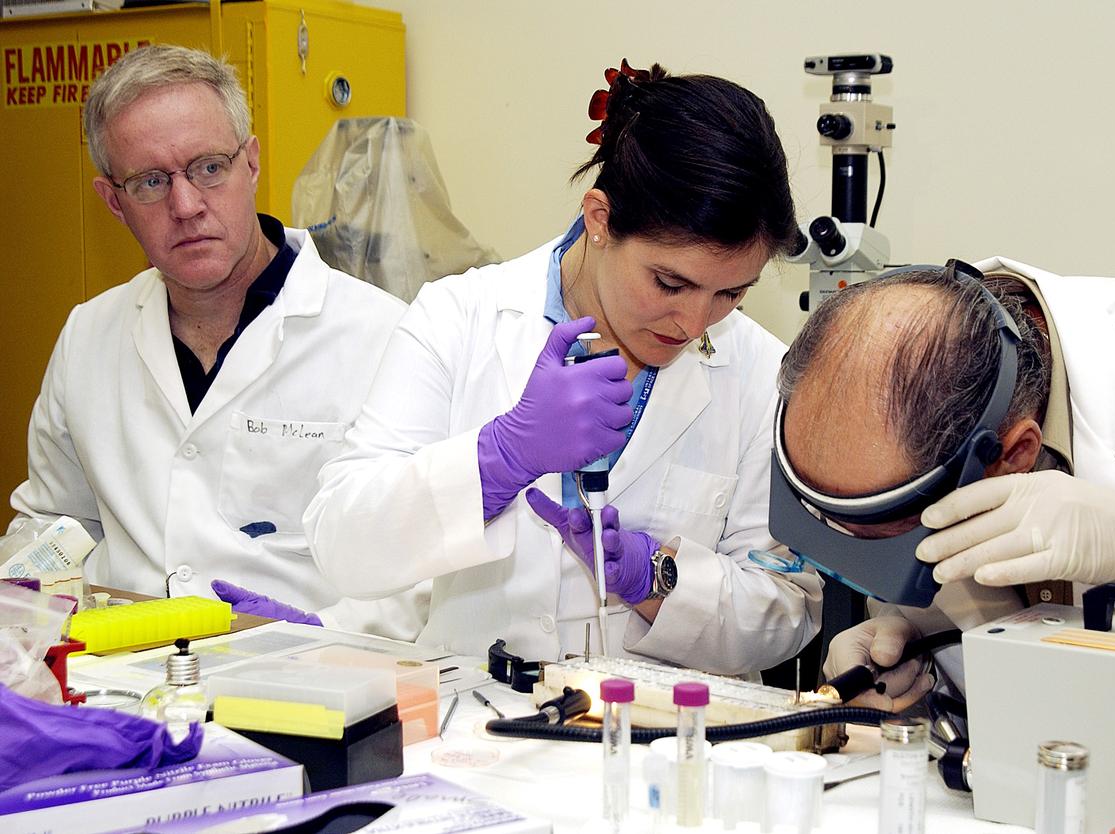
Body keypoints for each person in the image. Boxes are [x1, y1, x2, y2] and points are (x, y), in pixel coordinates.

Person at [305, 60, 821, 673]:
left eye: (730, 293)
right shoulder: (458, 317)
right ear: (600, 219)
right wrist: (502, 456)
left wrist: (653, 574)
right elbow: (343, 543)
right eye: (668, 282)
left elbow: (789, 608)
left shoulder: (762, 371)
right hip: (476, 728)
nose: (693, 322)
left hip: (663, 741)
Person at [6, 44, 429, 640]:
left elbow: (427, 571)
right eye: (150, 182)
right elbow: (54, 526)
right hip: (123, 680)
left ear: (251, 164)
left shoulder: (384, 336)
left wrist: (315, 635)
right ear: (114, 203)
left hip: (310, 683)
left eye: (209, 167)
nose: (186, 205)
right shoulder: (88, 335)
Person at [774, 256, 1115, 707]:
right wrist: (919, 648)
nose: (869, 551)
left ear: (1015, 455)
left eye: (890, 533)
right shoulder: (897, 370)